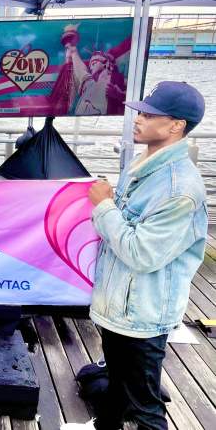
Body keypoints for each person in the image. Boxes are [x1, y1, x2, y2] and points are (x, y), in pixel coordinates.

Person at [63, 81, 207, 430]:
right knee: (116, 384)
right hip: (119, 307)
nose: (138, 119)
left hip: (142, 312)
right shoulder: (143, 166)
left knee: (145, 406)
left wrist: (104, 206)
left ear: (176, 126)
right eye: (140, 112)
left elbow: (142, 253)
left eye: (149, 114)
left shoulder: (179, 189)